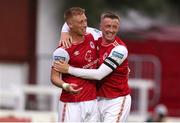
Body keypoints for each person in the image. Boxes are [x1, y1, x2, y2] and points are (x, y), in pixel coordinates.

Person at [53, 11, 131, 122]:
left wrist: (69, 69)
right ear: (100, 27)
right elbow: (72, 22)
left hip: (116, 100)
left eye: (115, 27)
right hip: (97, 99)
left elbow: (99, 75)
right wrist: (64, 32)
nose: (111, 30)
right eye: (108, 26)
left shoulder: (120, 49)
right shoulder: (96, 35)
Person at [51, 7, 102, 122]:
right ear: (70, 25)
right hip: (71, 104)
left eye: (85, 21)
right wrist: (65, 86)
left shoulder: (93, 36)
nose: (85, 25)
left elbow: (110, 43)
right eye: (80, 22)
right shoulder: (63, 50)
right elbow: (54, 77)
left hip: (92, 102)